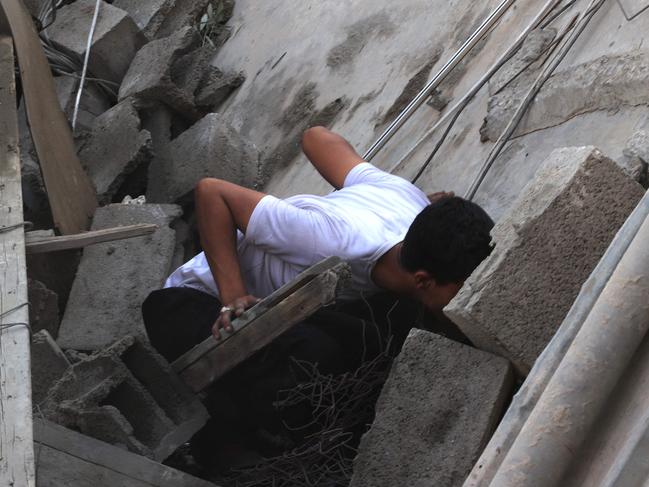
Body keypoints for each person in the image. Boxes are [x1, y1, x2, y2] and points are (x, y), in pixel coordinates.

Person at [142, 126, 494, 467]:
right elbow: (211, 192)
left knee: (386, 331)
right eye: (462, 289)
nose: (469, 297)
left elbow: (316, 137)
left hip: (293, 302)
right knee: (316, 358)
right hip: (190, 301)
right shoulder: (326, 240)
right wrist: (233, 295)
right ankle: (233, 441)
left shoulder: (412, 204)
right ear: (423, 279)